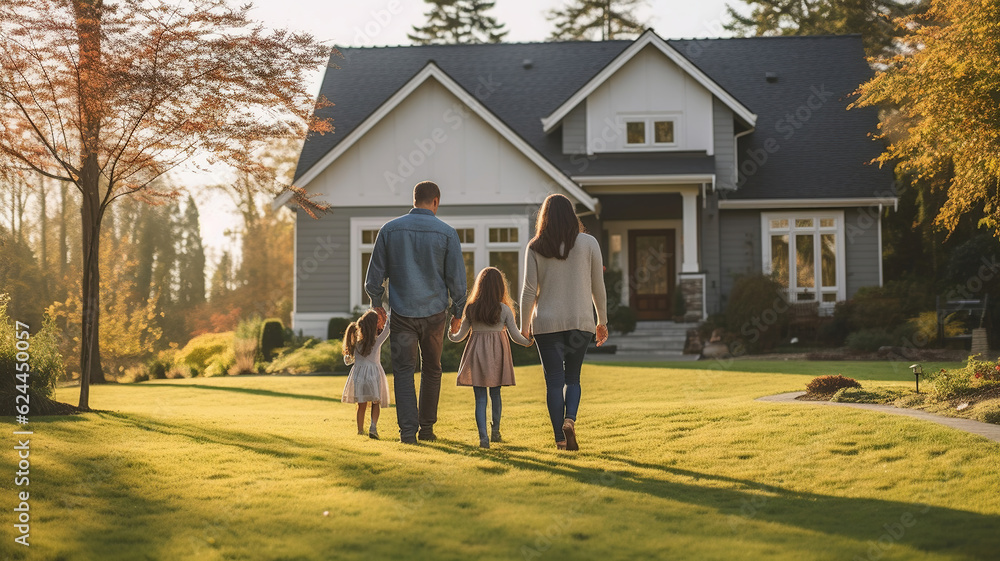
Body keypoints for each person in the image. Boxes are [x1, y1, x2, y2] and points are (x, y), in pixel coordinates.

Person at [365, 181, 467, 444]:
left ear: (414, 200)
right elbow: (456, 279)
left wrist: (378, 305)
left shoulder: (390, 230)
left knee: (403, 371)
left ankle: (408, 433)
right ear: (435, 202)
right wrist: (458, 312)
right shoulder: (447, 233)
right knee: (432, 370)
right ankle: (427, 430)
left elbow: (374, 276)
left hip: (402, 312)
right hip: (434, 314)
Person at [520, 194, 608, 451]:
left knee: (554, 382)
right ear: (572, 215)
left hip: (546, 324)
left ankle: (560, 440)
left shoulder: (535, 246)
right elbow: (597, 286)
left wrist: (525, 327)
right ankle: (570, 420)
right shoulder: (589, 243)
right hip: (580, 322)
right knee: (574, 378)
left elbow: (528, 291)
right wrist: (602, 320)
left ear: (544, 217)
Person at [449, 267, 532, 449]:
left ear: (480, 286)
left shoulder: (471, 308)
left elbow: (459, 337)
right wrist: (529, 341)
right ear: (500, 287)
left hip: (476, 355)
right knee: (496, 394)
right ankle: (495, 432)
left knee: (480, 398)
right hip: (497, 356)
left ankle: (483, 438)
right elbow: (515, 336)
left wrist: (450, 332)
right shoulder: (504, 310)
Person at [341, 310, 391, 440]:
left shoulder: (356, 343)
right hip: (374, 376)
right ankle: (373, 427)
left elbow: (348, 360)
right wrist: (390, 312)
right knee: (376, 403)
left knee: (361, 404)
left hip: (359, 377)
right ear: (374, 325)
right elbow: (388, 329)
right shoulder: (377, 341)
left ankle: (360, 430)